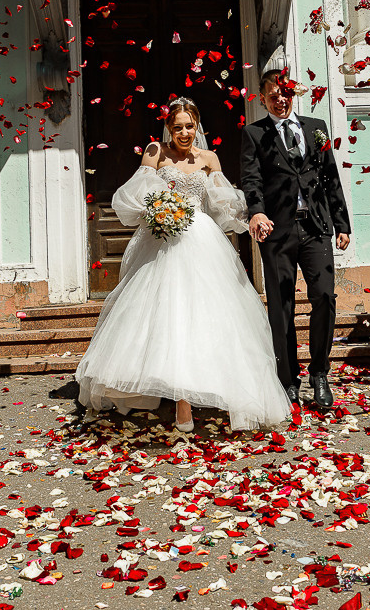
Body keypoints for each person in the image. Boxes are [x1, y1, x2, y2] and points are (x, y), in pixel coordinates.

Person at [75, 98, 291, 431]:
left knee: (202, 317)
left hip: (202, 240)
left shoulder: (209, 159)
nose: (184, 133)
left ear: (198, 126)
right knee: (167, 315)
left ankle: (204, 391)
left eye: (189, 126)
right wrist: (158, 209)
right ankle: (179, 401)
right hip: (162, 240)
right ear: (168, 127)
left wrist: (245, 216)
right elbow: (135, 194)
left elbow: (222, 204)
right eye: (177, 127)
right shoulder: (155, 152)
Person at [241, 70, 352, 409]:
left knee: (324, 297)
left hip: (316, 227)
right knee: (281, 308)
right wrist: (256, 212)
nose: (281, 100)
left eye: (286, 93)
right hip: (277, 231)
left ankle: (319, 373)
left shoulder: (315, 127)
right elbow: (251, 179)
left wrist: (341, 222)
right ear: (263, 98)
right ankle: (288, 379)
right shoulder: (254, 133)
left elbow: (330, 175)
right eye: (274, 95)